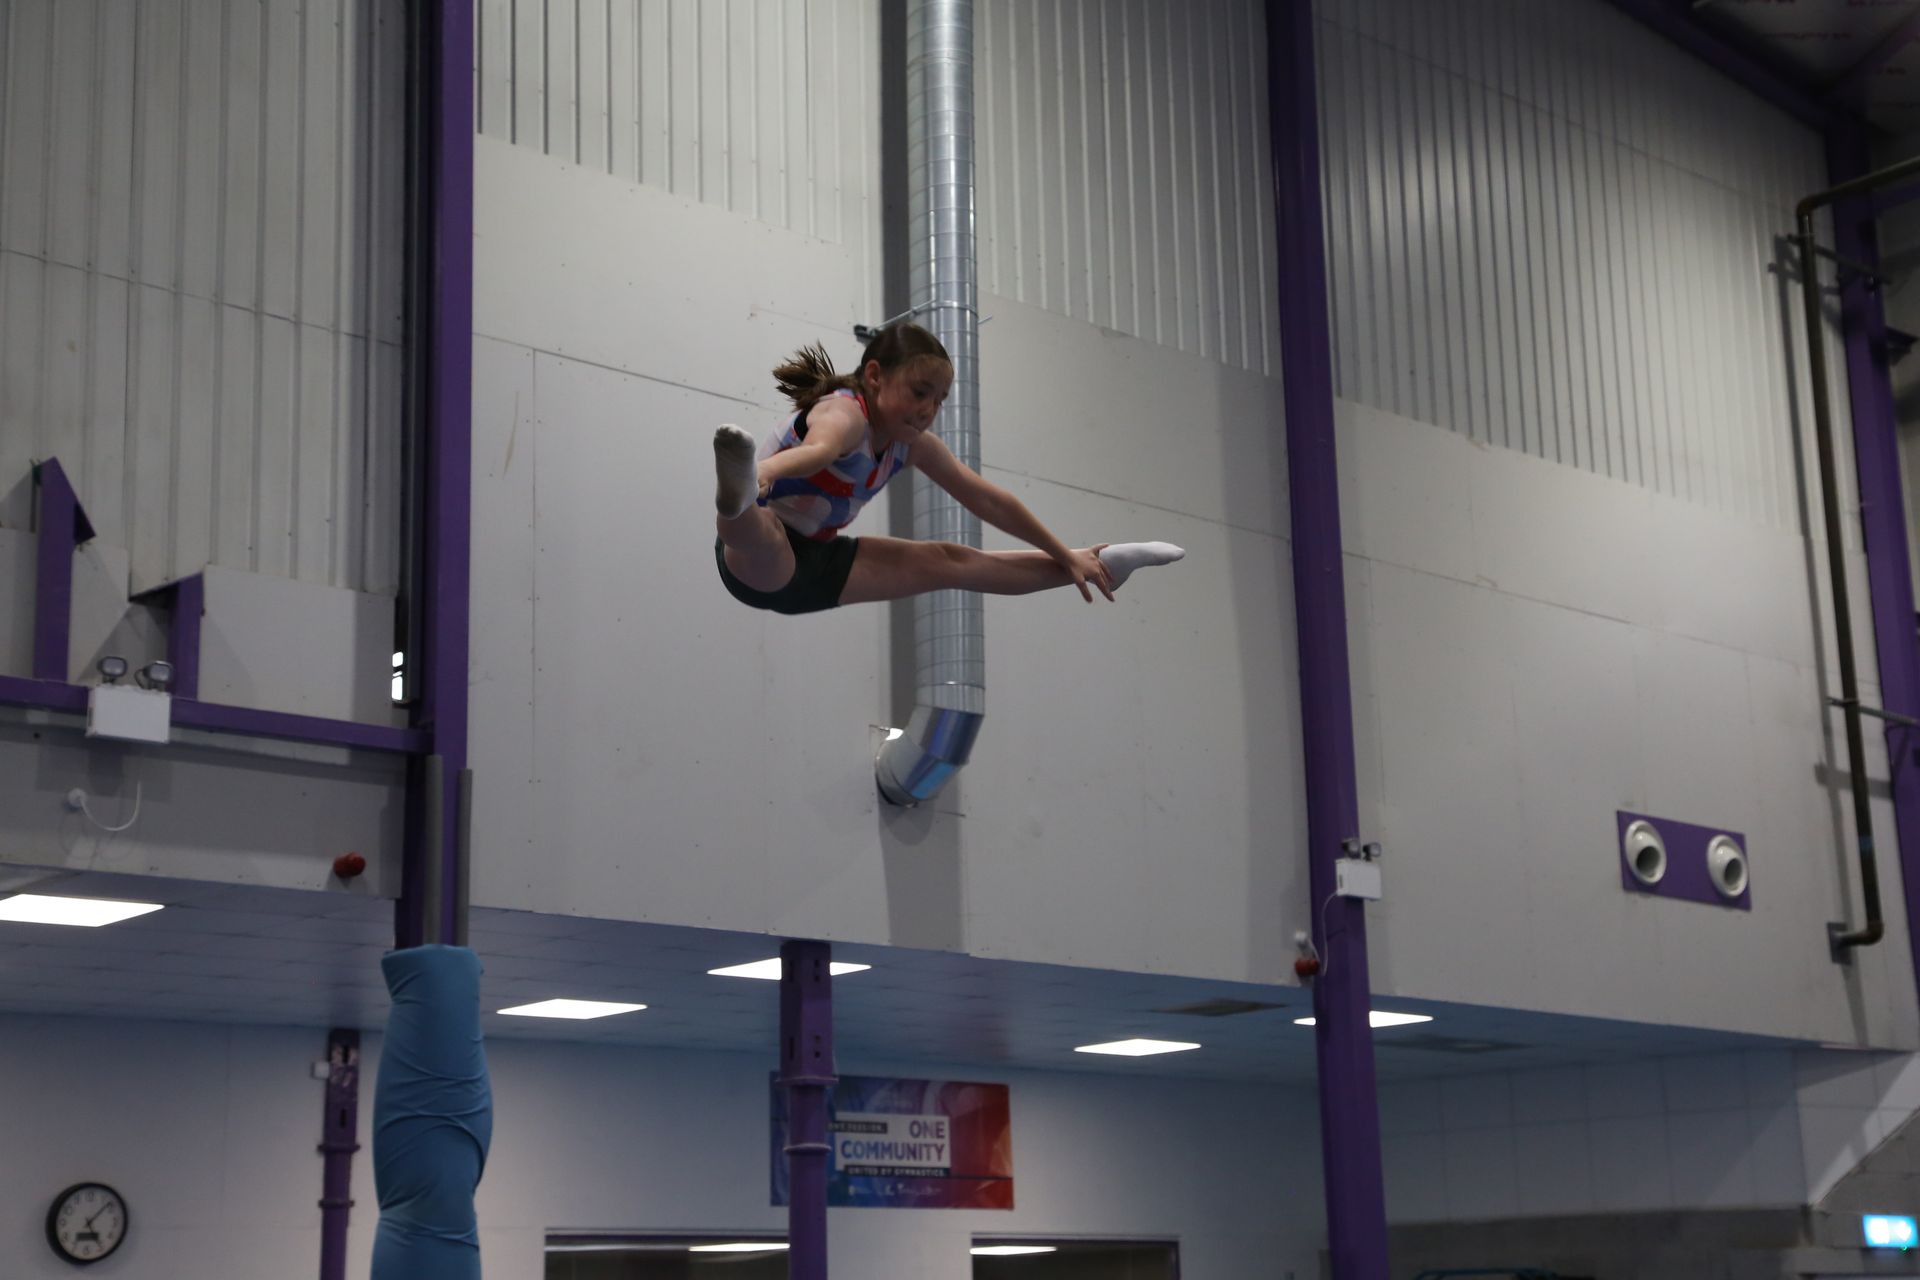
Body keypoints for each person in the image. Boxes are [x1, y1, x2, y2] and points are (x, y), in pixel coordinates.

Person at [712, 323, 1183, 615]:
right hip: (760, 561)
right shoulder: (845, 415)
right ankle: (739, 493)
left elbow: (989, 500)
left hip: (822, 563)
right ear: (874, 377)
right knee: (765, 530)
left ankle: (1099, 565)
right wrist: (766, 471)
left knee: (950, 561)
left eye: (939, 400)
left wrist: (1065, 552)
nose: (927, 410)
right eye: (919, 393)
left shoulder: (911, 445)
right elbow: (817, 451)